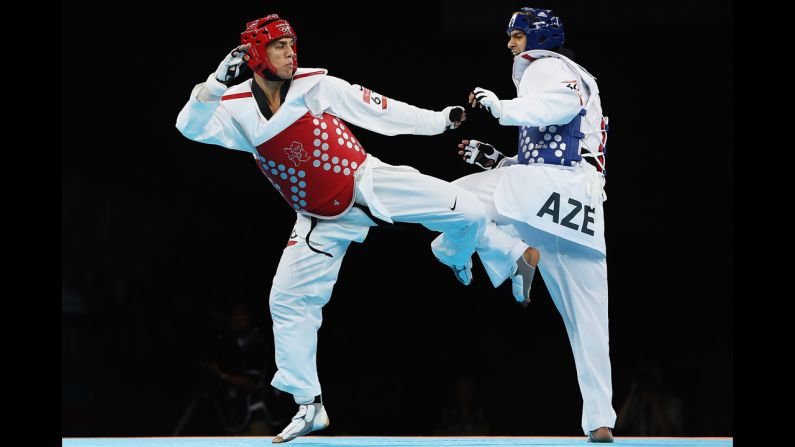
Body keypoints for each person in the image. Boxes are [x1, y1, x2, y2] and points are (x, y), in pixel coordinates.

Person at [176, 13, 490, 443]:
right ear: (255, 53)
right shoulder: (233, 109)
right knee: (286, 302)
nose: (291, 53)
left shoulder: (316, 84)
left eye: (292, 44)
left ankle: (453, 251)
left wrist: (437, 120)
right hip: (319, 221)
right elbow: (188, 127)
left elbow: (381, 111)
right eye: (280, 46)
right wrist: (213, 84)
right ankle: (309, 405)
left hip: (366, 182)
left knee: (470, 213)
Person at [438, 7, 615, 442]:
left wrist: (503, 108)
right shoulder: (577, 77)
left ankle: (510, 254)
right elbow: (556, 147)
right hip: (577, 201)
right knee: (588, 321)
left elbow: (556, 104)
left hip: (548, 186)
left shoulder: (547, 66)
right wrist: (498, 160)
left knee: (447, 208)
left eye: (516, 37)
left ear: (537, 38)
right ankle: (600, 419)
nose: (511, 45)